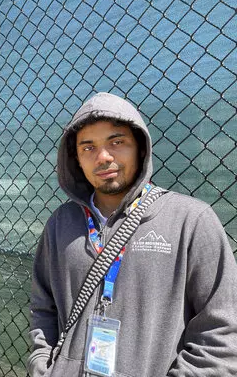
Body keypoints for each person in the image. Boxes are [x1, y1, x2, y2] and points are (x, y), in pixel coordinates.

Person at [28, 92, 237, 376]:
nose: (103, 157)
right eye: (87, 147)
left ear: (140, 148)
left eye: (117, 142)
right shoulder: (59, 224)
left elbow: (222, 332)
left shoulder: (192, 221)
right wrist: (44, 365)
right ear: (75, 158)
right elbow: (43, 307)